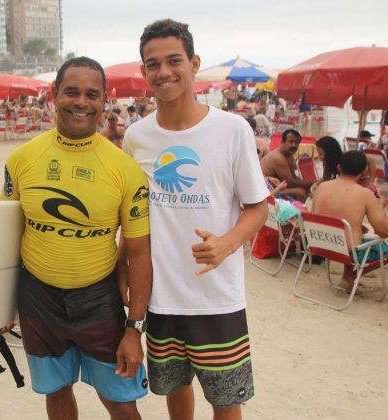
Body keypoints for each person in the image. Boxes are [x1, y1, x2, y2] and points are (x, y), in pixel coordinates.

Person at [122, 19, 269, 420]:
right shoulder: (136, 137)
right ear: (143, 72)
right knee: (176, 391)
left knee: (225, 399)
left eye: (174, 60)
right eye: (153, 64)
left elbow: (259, 207)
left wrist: (226, 243)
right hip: (162, 297)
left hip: (217, 298)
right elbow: (135, 219)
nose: (164, 72)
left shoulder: (232, 129)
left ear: (193, 63)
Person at [0, 56, 152, 420]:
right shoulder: (21, 160)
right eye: (71, 92)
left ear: (104, 99)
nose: (81, 102)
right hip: (37, 298)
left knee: (120, 401)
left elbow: (140, 253)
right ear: (54, 95)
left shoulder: (125, 170)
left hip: (99, 299)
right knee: (56, 390)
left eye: (91, 94)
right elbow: (4, 238)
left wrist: (135, 330)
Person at [312, 151, 388, 293]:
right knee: (364, 240)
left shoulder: (322, 187)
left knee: (357, 230)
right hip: (348, 253)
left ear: (339, 167)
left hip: (320, 244)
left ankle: (347, 277)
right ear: (364, 172)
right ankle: (351, 276)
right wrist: (380, 206)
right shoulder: (365, 194)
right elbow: (383, 231)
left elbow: (313, 214)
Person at [260, 129, 315, 202]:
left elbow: (293, 177)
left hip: (278, 187)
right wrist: (314, 182)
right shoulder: (278, 157)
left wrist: (311, 184)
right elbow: (290, 182)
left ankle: (297, 208)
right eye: (291, 142)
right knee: (300, 192)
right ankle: (294, 211)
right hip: (266, 191)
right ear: (282, 142)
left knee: (307, 188)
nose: (294, 145)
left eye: (297, 143)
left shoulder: (289, 156)